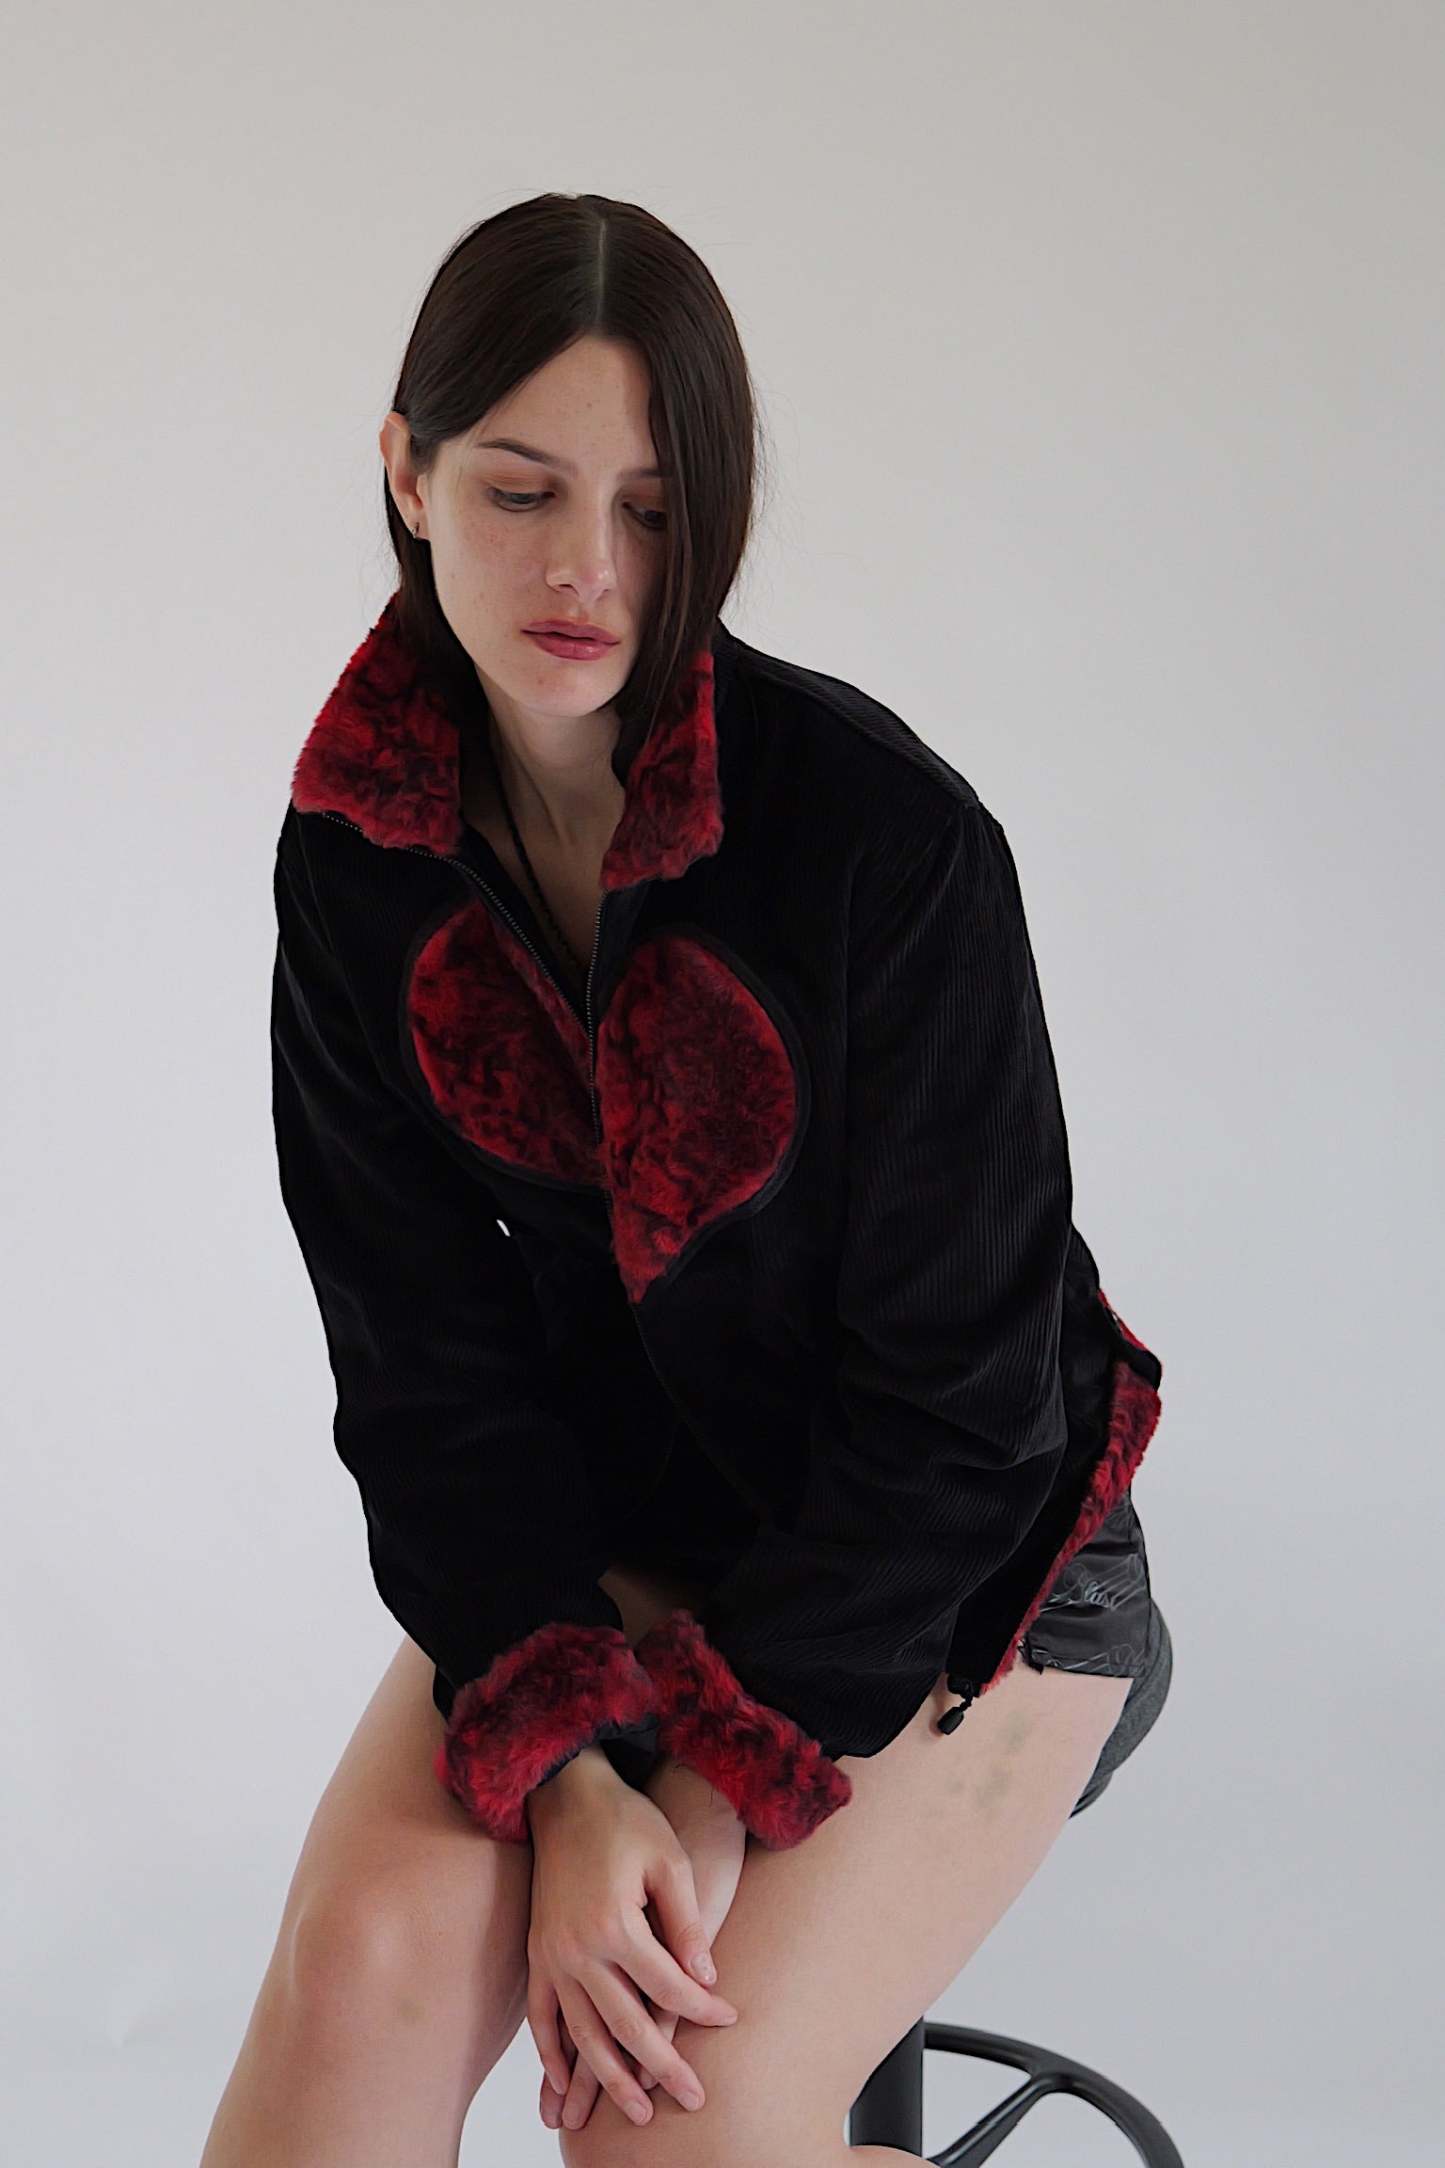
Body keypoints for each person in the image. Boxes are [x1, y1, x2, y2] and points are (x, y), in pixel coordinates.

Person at [201, 191, 1173, 2168]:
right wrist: (571, 1776)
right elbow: (425, 1374)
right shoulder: (357, 858)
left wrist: (711, 1787)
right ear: (406, 472)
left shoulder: (881, 844)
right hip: (630, 1539)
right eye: (520, 490)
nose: (587, 568)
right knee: (367, 1970)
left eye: (652, 511)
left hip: (979, 1572)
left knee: (667, 2116)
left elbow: (965, 1409)